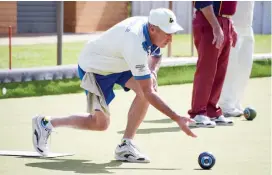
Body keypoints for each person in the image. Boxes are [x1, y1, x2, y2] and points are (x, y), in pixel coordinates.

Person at [32, 8, 197, 164]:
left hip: (119, 63)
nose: (171, 38)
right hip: (94, 67)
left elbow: (155, 55)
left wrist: (152, 71)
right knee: (100, 124)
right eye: (168, 34)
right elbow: (149, 92)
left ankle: (126, 145)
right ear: (153, 29)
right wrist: (177, 118)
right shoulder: (135, 42)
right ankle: (46, 123)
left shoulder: (151, 30)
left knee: (147, 87)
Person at [188, 1, 238, 128]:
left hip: (224, 21)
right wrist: (216, 26)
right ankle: (197, 113)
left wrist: (230, 23)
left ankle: (211, 110)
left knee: (220, 70)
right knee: (207, 70)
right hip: (210, 19)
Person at [218, 2, 255, 117]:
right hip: (232, 25)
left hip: (248, 26)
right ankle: (225, 105)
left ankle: (236, 102)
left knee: (245, 67)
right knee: (231, 67)